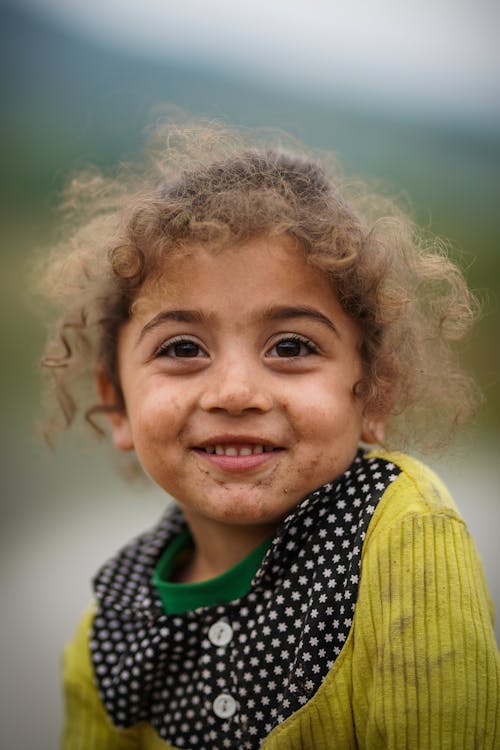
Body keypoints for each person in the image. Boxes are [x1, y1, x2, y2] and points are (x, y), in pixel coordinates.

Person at [39, 122, 499, 749]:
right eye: (182, 348)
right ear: (115, 401)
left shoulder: (401, 536)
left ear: (374, 393)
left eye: (290, 346)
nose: (235, 392)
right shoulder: (111, 629)